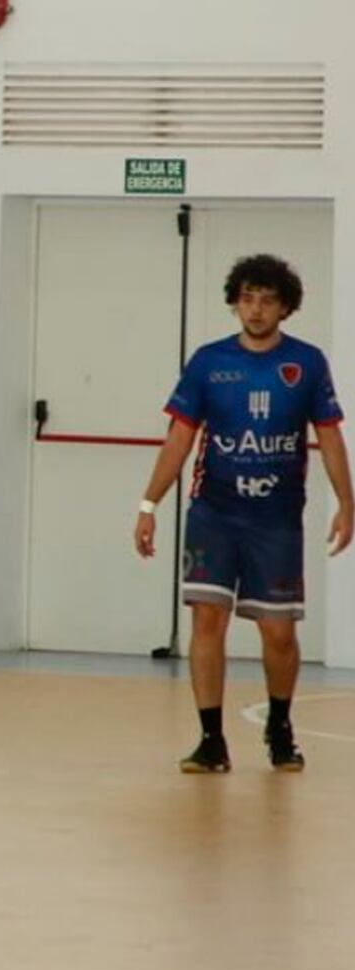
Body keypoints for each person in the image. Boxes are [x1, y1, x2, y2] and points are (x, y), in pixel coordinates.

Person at [135, 254, 352, 774]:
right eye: (248, 297)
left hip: (276, 522)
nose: (256, 309)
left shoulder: (308, 363)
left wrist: (347, 502)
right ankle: (211, 740)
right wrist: (150, 504)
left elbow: (328, 435)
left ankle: (280, 727)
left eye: (268, 300)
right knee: (208, 620)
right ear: (235, 301)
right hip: (214, 515)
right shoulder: (209, 362)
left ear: (286, 307)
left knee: (278, 633)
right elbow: (180, 438)